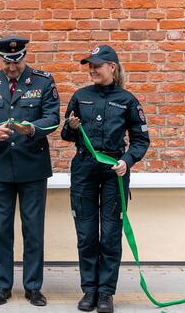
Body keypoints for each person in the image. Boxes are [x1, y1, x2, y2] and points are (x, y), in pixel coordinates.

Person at [0, 36, 60, 307]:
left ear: (25, 55)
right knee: (2, 230)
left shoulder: (43, 81)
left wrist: (32, 129)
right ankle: (2, 286)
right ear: (0, 58)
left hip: (33, 166)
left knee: (33, 229)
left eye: (17, 60)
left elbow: (53, 117)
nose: (12, 67)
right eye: (7, 61)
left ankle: (33, 287)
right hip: (0, 166)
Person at [61, 45, 150, 313]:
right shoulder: (80, 96)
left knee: (110, 235)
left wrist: (127, 161)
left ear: (112, 67)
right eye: (89, 65)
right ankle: (89, 291)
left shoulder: (128, 100)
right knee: (86, 234)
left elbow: (141, 139)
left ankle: (106, 294)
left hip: (114, 171)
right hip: (84, 168)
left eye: (97, 65)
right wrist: (71, 127)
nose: (92, 69)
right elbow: (66, 133)